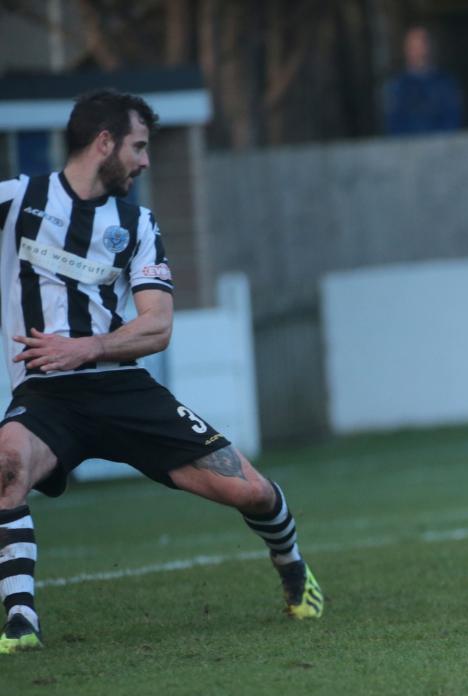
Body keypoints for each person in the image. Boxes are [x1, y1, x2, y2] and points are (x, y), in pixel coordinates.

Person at [0, 89, 323, 655]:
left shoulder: (137, 222)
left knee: (248, 491)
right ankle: (20, 620)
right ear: (104, 143)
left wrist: (86, 348)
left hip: (123, 389)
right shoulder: (17, 201)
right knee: (6, 463)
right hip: (48, 398)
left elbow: (159, 326)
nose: (146, 161)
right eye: (139, 147)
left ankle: (294, 569)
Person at [384, 25, 463, 135]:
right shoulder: (397, 87)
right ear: (406, 50)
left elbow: (453, 119)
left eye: (423, 45)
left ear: (431, 47)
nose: (419, 51)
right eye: (414, 47)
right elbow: (394, 125)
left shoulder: (446, 84)